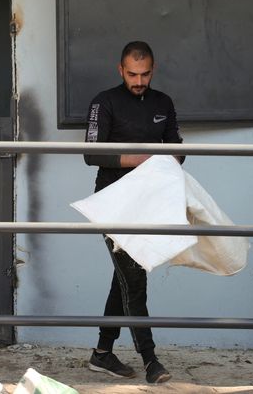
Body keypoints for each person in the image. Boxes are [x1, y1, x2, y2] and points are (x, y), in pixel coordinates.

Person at [83, 41, 183, 384]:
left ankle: (102, 353)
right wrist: (142, 158)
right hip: (112, 202)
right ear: (120, 70)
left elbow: (177, 149)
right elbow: (91, 154)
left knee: (125, 278)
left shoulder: (163, 102)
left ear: (153, 70)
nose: (138, 80)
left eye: (144, 74)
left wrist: (166, 159)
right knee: (134, 280)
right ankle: (151, 360)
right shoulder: (104, 101)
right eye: (132, 74)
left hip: (149, 201)